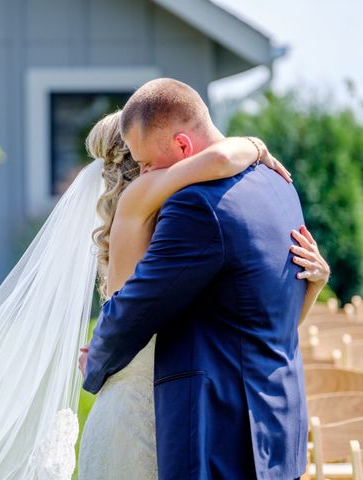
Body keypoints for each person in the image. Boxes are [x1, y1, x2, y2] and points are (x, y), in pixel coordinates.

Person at [80, 78, 329, 480]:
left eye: (148, 164)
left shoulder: (195, 205)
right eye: (140, 168)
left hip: (220, 435)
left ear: (181, 147)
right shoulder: (278, 183)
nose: (147, 175)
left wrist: (97, 362)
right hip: (278, 429)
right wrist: (253, 144)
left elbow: (134, 311)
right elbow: (259, 318)